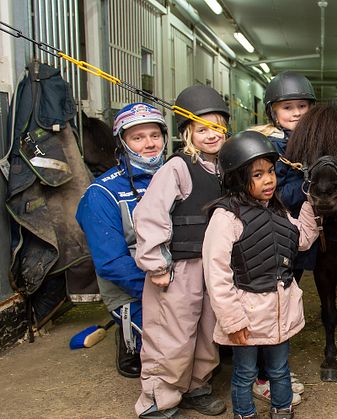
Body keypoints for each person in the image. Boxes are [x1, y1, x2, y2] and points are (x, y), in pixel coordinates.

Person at [203, 130, 319, 419]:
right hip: (246, 315)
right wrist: (232, 319)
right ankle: (244, 413)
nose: (269, 179)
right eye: (257, 175)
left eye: (270, 171)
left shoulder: (278, 211)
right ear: (236, 178)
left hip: (279, 311)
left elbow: (302, 239)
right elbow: (216, 274)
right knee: (245, 372)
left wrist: (310, 203)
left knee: (280, 369)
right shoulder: (225, 217)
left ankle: (282, 409)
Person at [133, 85, 230, 419]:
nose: (211, 134)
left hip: (214, 266)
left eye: (217, 127)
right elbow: (149, 215)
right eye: (201, 129)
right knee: (172, 334)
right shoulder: (177, 168)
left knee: (208, 330)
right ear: (187, 133)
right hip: (178, 268)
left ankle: (197, 386)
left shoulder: (226, 170)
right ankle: (158, 399)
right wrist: (156, 263)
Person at [76, 102, 167, 379]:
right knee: (171, 356)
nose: (149, 144)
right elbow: (112, 263)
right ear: (122, 144)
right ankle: (129, 339)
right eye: (138, 138)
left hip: (180, 280)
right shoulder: (101, 193)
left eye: (155, 135)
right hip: (134, 289)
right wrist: (165, 293)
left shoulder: (179, 177)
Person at [250, 70, 316, 405]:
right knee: (268, 306)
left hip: (294, 239)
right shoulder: (266, 145)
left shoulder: (311, 143)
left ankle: (272, 368)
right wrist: (307, 186)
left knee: (283, 303)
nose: (295, 112)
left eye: (302, 106)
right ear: (273, 111)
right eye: (287, 107)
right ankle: (263, 375)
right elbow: (276, 192)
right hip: (267, 237)